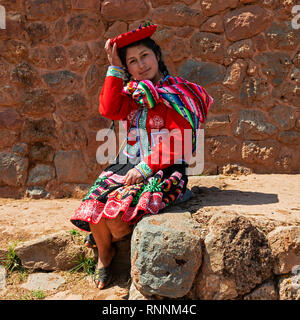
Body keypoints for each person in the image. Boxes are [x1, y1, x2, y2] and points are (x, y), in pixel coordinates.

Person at [70, 23, 213, 290]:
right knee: (93, 206)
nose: (141, 64)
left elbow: (180, 139)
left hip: (164, 168)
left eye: (145, 56)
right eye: (132, 61)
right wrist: (114, 67)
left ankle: (106, 244)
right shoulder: (131, 96)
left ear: (157, 56)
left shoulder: (177, 94)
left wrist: (146, 167)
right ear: (128, 68)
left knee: (115, 222)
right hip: (127, 163)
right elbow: (108, 108)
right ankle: (105, 256)